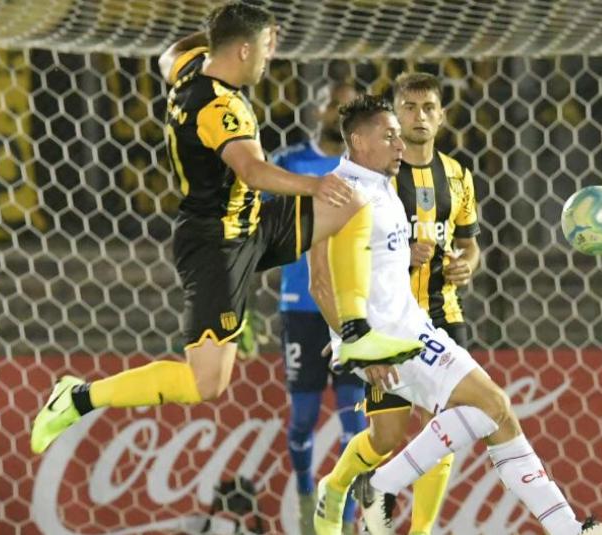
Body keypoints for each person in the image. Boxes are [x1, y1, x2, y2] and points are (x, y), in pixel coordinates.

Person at [30, 2, 422, 455]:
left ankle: (355, 331)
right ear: (240, 51)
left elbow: (168, 54)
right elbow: (253, 171)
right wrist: (315, 183)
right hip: (217, 245)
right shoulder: (219, 106)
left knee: (354, 200)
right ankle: (77, 397)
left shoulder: (187, 68)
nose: (267, 60)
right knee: (206, 382)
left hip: (252, 222)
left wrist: (224, 33)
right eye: (262, 50)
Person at [309, 94, 602, 535]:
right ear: (357, 140)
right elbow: (320, 282)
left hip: (416, 327)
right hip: (388, 339)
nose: (398, 145)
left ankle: (569, 530)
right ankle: (380, 486)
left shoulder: (381, 185)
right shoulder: (339, 192)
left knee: (495, 413)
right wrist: (360, 350)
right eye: (388, 136)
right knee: (486, 408)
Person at [326, 72, 481, 535]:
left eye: (428, 107)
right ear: (393, 115)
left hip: (443, 313)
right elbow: (345, 249)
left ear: (442, 116)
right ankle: (336, 485)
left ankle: (422, 530)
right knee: (386, 438)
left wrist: (467, 265)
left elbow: (471, 242)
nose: (419, 117)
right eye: (408, 108)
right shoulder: (376, 177)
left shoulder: (458, 174)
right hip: (391, 321)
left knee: (450, 425)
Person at [272, 81, 366, 535]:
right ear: (318, 108)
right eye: (332, 101)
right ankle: (307, 495)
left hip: (352, 308)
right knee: (304, 416)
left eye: (347, 105)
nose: (338, 110)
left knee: (354, 416)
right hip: (301, 308)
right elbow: (259, 224)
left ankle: (343, 516)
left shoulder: (366, 169)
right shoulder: (288, 163)